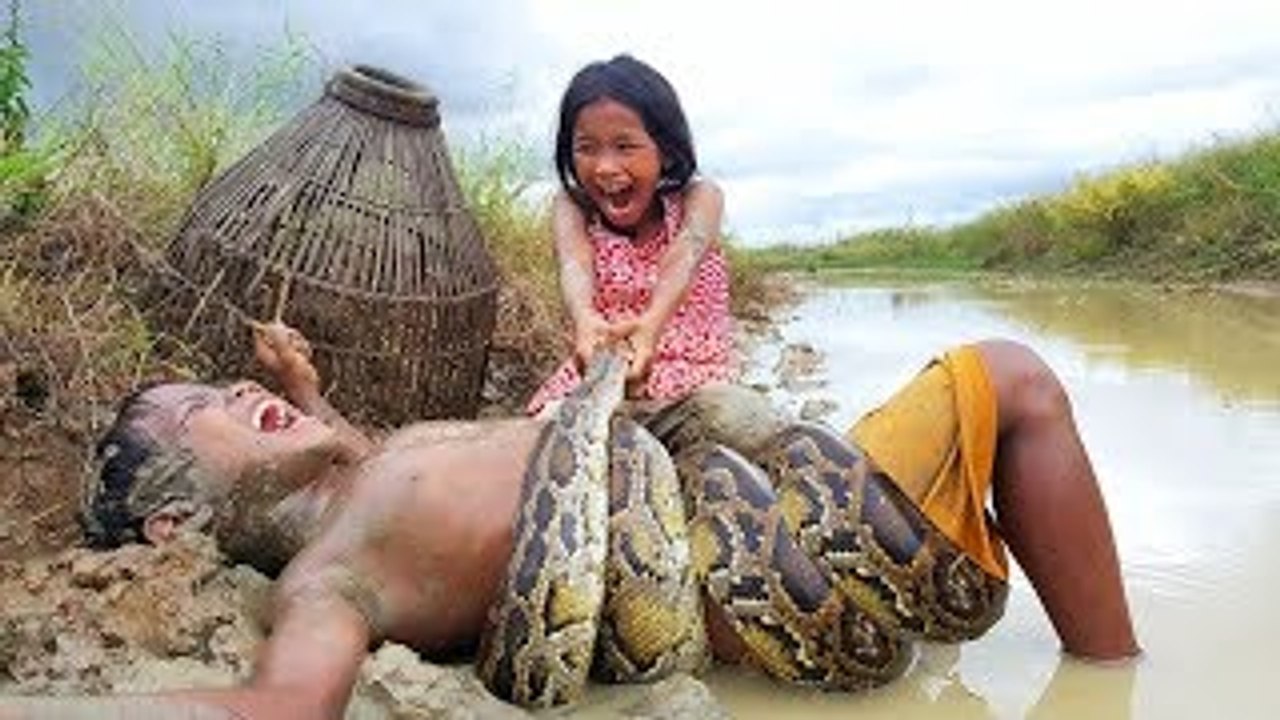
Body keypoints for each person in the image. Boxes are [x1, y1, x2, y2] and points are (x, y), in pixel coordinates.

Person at [0, 320, 1139, 720]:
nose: (223, 393)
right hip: (740, 569)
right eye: (201, 413)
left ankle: (1099, 674)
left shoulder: (360, 460)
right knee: (1013, 377)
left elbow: (355, 452)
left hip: (741, 483)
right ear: (174, 528)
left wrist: (295, 391)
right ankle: (1111, 683)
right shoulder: (330, 578)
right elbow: (281, 706)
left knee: (996, 396)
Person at [527, 54, 734, 416]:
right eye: (587, 148)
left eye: (625, 146)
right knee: (543, 430)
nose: (605, 168)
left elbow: (684, 256)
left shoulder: (700, 198)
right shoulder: (572, 207)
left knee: (738, 419)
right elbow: (574, 265)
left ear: (666, 152)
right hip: (599, 383)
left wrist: (651, 325)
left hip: (693, 390)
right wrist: (585, 319)